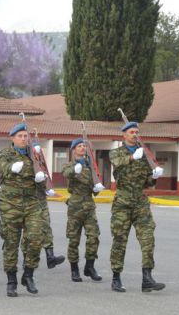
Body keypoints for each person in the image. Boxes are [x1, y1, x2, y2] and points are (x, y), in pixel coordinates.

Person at [109, 122, 165, 293]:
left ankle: (147, 278)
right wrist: (133, 157)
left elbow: (148, 181)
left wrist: (154, 176)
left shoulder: (145, 155)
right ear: (124, 135)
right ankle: (116, 278)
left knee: (148, 238)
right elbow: (117, 163)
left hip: (140, 202)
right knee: (120, 240)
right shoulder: (116, 152)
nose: (134, 134)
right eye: (131, 132)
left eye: (136, 132)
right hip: (123, 203)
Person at [0, 123, 47, 297]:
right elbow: (1, 167)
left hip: (31, 203)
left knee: (35, 238)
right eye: (20, 136)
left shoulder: (35, 155)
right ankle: (11, 281)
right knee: (11, 243)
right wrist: (11, 167)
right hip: (11, 205)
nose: (24, 139)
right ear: (13, 138)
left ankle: (28, 275)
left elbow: (42, 179)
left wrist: (42, 179)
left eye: (26, 136)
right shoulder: (5, 153)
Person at [63, 138, 104, 282]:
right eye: (79, 146)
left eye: (84, 146)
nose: (82, 148)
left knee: (94, 237)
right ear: (74, 150)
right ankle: (74, 269)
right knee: (74, 239)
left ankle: (89, 266)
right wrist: (75, 170)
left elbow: (96, 189)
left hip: (89, 206)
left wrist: (97, 187)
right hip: (75, 207)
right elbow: (66, 174)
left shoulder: (91, 166)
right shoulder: (70, 165)